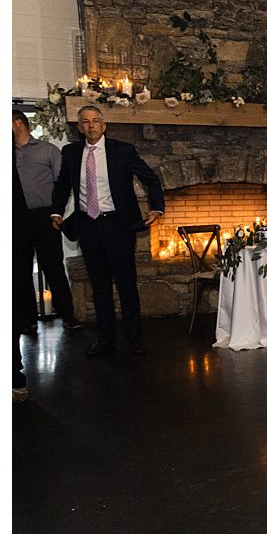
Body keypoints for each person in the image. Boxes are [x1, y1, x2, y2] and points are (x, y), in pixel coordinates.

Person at [50, 105, 165, 357]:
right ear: (80, 127)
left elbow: (150, 178)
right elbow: (62, 186)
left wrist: (156, 207)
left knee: (126, 284)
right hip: (88, 226)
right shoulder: (70, 153)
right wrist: (56, 212)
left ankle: (134, 338)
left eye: (95, 121)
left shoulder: (122, 151)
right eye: (85, 122)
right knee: (99, 285)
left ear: (104, 125)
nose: (90, 125)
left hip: (117, 225)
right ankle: (105, 339)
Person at [13, 112, 77, 330]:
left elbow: (63, 184)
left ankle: (68, 314)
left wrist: (57, 212)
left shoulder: (48, 150)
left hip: (44, 216)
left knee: (53, 266)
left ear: (18, 123)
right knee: (20, 270)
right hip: (18, 218)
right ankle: (28, 318)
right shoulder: (6, 153)